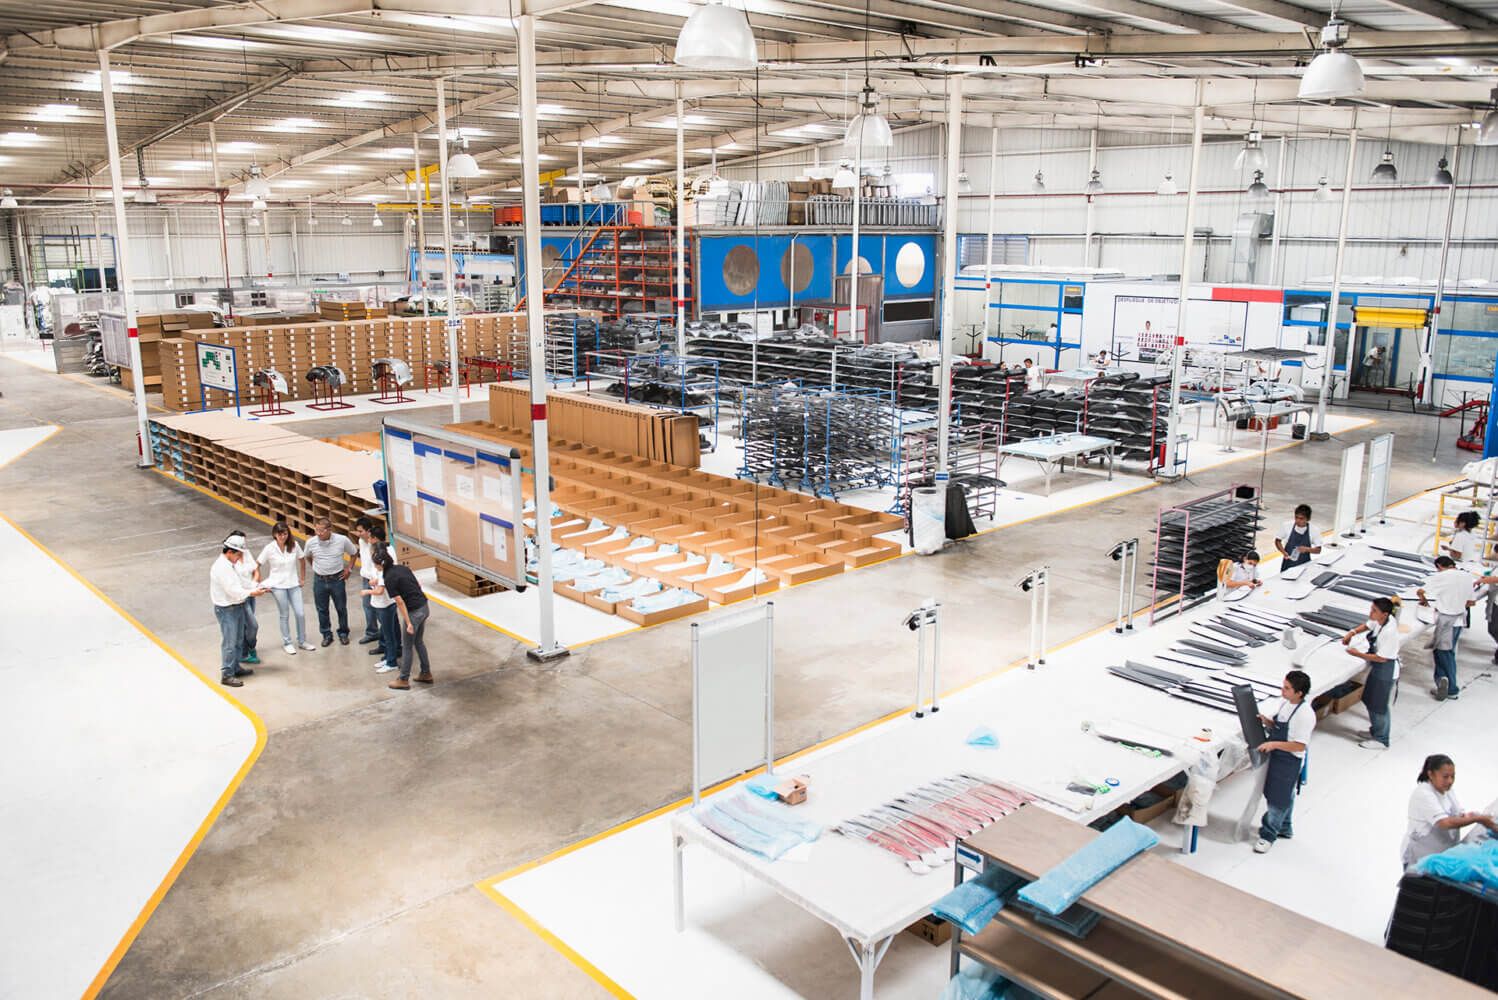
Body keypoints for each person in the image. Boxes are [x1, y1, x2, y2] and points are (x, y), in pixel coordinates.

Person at [1254, 669, 1315, 854]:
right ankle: (1285, 827)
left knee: (1277, 800)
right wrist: (1266, 722)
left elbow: (1299, 745)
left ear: (1299, 693)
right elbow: (1281, 727)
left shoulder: (1305, 715)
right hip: (1279, 755)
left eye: (1287, 688)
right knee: (1285, 795)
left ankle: (1268, 834)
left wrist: (1273, 744)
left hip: (1289, 761)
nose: (1283, 691)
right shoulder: (1286, 704)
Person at [1401, 755, 1498, 868]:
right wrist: (1478, 819)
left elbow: (1459, 815)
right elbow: (1444, 823)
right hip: (1420, 857)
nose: (1450, 781)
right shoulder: (1424, 794)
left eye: (1453, 776)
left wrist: (1477, 817)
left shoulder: (1447, 790)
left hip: (1440, 855)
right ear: (1431, 774)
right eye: (1445, 777)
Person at [1341, 597, 1402, 749]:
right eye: (1371, 609)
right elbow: (1368, 625)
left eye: (1374, 611)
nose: (1371, 613)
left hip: (1385, 670)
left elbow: (1381, 658)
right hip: (1378, 669)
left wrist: (1357, 654)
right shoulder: (1382, 620)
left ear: (1385, 614)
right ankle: (1375, 731)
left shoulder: (1390, 631)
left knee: (1379, 706)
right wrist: (1352, 632)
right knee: (1370, 699)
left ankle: (1381, 739)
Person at [210, 537, 268, 687]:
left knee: (237, 640)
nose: (240, 558)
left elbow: (241, 582)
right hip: (227, 609)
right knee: (229, 642)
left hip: (237, 606)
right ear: (229, 552)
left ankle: (235, 667)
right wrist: (253, 593)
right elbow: (233, 591)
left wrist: (256, 585)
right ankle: (227, 674)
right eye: (238, 555)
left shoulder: (230, 564)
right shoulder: (222, 568)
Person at [1418, 555, 1477, 702]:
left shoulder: (1442, 576)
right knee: (1443, 652)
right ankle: (1442, 681)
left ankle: (1451, 688)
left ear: (1439, 567)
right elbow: (1471, 603)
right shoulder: (1467, 576)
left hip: (1445, 621)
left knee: (1445, 654)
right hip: (1458, 621)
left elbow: (1421, 591)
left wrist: (1424, 601)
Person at [375, 545, 432, 690]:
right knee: (418, 642)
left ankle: (403, 679)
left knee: (407, 646)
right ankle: (426, 673)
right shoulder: (402, 568)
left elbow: (400, 602)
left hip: (414, 612)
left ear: (380, 565)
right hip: (424, 606)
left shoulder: (388, 578)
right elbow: (416, 585)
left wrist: (408, 623)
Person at [259, 521, 316, 656]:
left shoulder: (294, 545)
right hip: (277, 586)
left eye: (285, 534)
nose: (283, 537)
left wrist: (302, 578)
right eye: (280, 534)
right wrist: (261, 584)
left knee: (300, 613)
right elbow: (257, 564)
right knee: (284, 614)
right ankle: (287, 642)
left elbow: (302, 560)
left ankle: (302, 641)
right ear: (274, 534)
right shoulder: (269, 548)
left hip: (293, 584)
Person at [303, 517, 356, 646]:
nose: (318, 534)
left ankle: (343, 633)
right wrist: (317, 568)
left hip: (337, 579)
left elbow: (354, 553)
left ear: (329, 530)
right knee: (322, 609)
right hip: (319, 580)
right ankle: (326, 634)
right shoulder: (311, 542)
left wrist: (349, 569)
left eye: (321, 531)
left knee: (341, 607)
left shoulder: (342, 540)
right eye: (316, 530)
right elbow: (308, 556)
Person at [354, 517, 397, 651]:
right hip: (368, 578)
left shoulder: (386, 550)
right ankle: (373, 633)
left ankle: (387, 640)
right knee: (368, 607)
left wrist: (378, 581)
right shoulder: (362, 542)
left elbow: (390, 567)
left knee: (383, 612)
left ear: (370, 533)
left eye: (361, 531)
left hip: (379, 581)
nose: (359, 534)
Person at [360, 543, 402, 675]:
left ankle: (392, 663)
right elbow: (377, 582)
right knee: (387, 633)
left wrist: (367, 592)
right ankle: (388, 658)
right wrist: (374, 581)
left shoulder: (384, 573)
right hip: (381, 605)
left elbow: (379, 591)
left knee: (389, 636)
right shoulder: (380, 571)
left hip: (385, 606)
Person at [225, 530, 261, 666]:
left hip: (251, 592)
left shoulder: (246, 553)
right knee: (251, 624)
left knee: (248, 626)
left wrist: (255, 584)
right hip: (242, 597)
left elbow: (255, 569)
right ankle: (247, 650)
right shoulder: (230, 560)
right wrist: (250, 590)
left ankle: (247, 650)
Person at [1274, 504, 1323, 574]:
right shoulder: (1287, 526)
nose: (1298, 520)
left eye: (1301, 518)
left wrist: (1307, 549)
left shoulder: (1314, 530)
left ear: (1308, 519)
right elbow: (1277, 541)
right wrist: (1284, 552)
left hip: (1304, 566)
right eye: (1296, 517)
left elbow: (1318, 550)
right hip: (1288, 564)